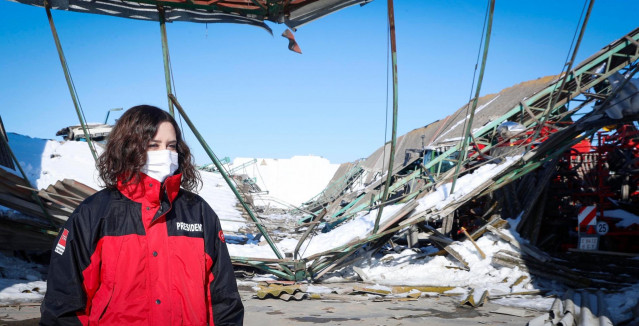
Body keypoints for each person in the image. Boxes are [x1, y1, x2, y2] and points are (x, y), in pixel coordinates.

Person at [40, 105, 244, 325]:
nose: (165, 154)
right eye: (153, 145)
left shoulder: (199, 212)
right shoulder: (94, 213)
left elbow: (223, 300)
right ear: (128, 148)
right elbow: (63, 303)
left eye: (171, 146)